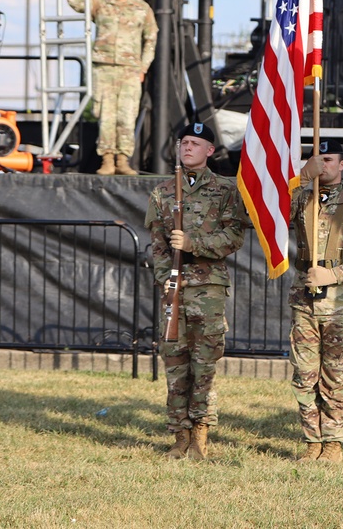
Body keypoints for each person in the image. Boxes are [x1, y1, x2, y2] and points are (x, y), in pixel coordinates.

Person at [145, 122, 246, 460]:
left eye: (195, 143)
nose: (187, 147)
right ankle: (180, 434)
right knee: (174, 363)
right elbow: (157, 245)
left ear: (210, 151)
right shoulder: (162, 192)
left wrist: (194, 244)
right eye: (184, 142)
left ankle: (201, 433)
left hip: (208, 290)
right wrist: (167, 278)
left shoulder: (225, 191)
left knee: (204, 365)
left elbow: (234, 238)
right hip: (174, 290)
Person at [288, 139, 343, 464]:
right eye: (318, 159)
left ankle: (333, 442)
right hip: (304, 301)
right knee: (304, 373)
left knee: (337, 374)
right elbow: (269, 211)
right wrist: (301, 178)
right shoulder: (301, 201)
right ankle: (312, 440)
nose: (323, 165)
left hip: (341, 304)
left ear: (342, 165)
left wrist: (333, 275)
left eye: (329, 159)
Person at [68, 0, 158, 176]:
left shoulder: (141, 8)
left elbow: (151, 38)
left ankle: (123, 160)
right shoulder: (101, 5)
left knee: (126, 115)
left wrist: (143, 66)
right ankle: (107, 160)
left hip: (129, 70)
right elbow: (74, 1)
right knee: (106, 115)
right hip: (104, 68)